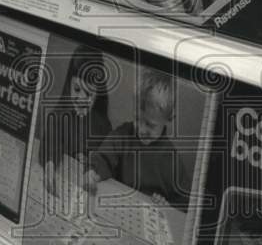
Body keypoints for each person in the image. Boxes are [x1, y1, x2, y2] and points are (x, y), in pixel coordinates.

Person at [85, 69, 192, 204]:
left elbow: (185, 200)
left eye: (150, 125)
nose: (141, 130)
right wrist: (93, 172)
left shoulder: (171, 159)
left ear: (169, 118)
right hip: (117, 204)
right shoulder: (123, 135)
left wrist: (167, 204)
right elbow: (102, 158)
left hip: (149, 217)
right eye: (137, 119)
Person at [39, 44, 112, 196]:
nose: (81, 99)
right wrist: (50, 164)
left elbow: (108, 158)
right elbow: (50, 142)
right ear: (68, 86)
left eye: (89, 93)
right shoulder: (58, 116)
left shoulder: (103, 125)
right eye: (77, 89)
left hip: (88, 191)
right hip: (64, 185)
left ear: (98, 94)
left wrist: (94, 170)